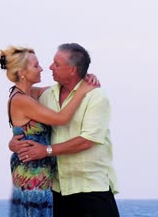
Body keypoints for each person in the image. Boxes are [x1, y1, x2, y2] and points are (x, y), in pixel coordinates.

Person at [10, 43, 120, 217]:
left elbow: (87, 141)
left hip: (90, 187)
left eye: (57, 64)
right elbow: (22, 113)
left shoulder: (96, 97)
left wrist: (46, 151)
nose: (50, 67)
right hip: (57, 188)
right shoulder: (45, 96)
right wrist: (14, 142)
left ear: (72, 70)